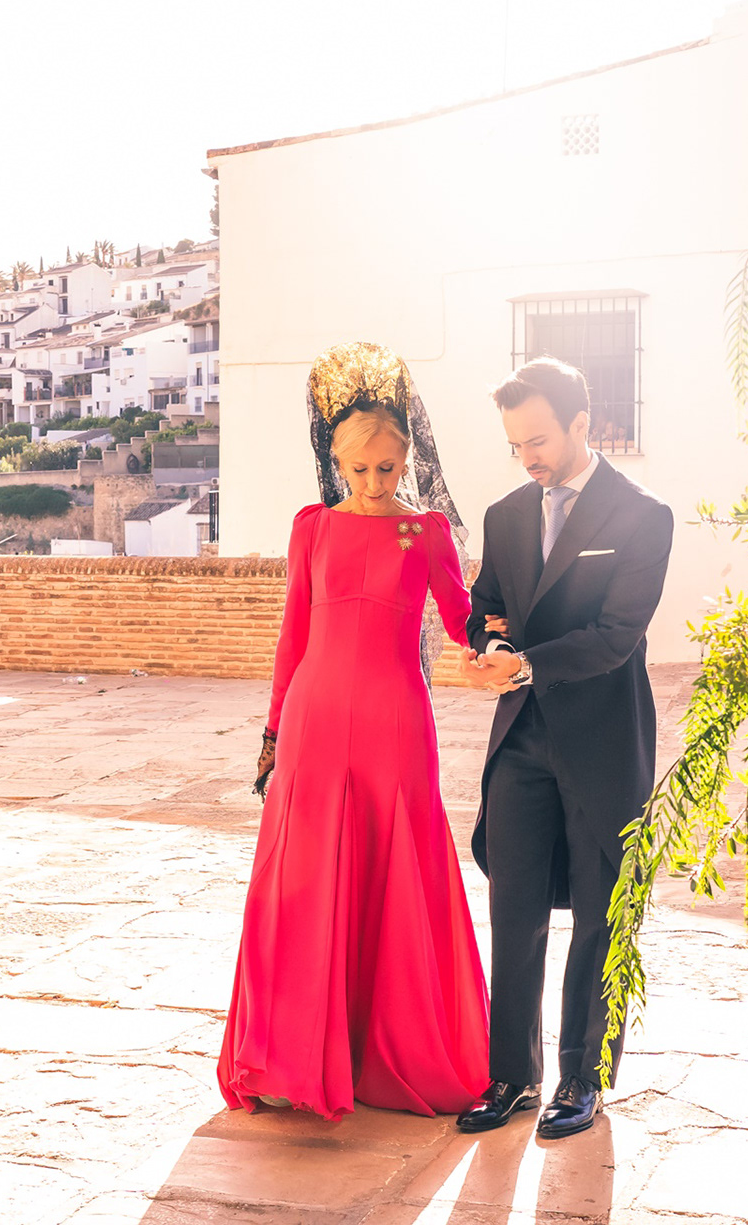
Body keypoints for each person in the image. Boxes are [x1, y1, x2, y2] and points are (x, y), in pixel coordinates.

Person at [217, 342, 489, 1121]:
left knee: (394, 871)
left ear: (406, 460)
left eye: (388, 468)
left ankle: (387, 1053)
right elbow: (292, 638)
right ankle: (290, 1058)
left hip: (396, 722)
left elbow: (463, 621)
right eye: (360, 469)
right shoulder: (312, 528)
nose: (374, 483)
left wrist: (500, 641)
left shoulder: (427, 532)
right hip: (314, 719)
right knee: (304, 880)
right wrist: (273, 734)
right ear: (336, 461)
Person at [456, 357, 673, 1140]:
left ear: (583, 423)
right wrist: (488, 645)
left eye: (539, 440)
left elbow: (616, 636)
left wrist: (525, 661)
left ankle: (584, 1078)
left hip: (603, 741)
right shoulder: (506, 515)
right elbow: (486, 605)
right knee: (513, 909)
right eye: (516, 444)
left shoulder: (643, 516)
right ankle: (512, 1076)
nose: (528, 458)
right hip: (520, 738)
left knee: (600, 916)